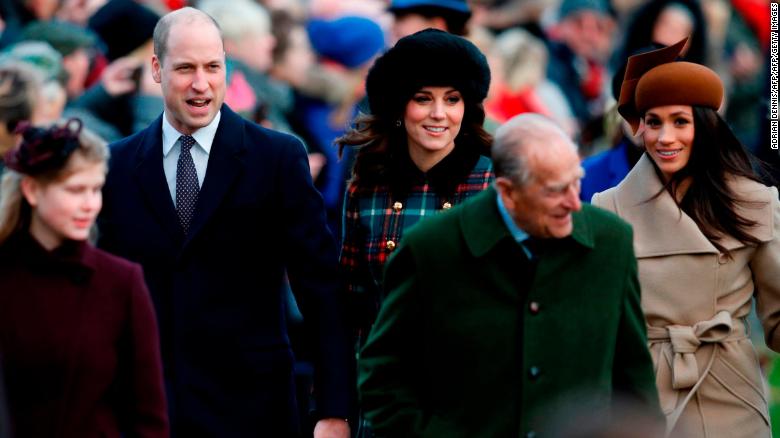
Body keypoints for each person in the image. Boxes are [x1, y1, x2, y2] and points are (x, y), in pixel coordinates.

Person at [96, 7, 351, 438]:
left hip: (253, 407)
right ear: (156, 69)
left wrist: (334, 407)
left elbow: (320, 286)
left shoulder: (276, 158)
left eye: (213, 67)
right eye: (185, 68)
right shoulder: (116, 165)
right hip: (146, 408)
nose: (201, 83)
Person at [359, 113, 661, 437]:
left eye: (576, 181)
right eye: (555, 191)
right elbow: (383, 378)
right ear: (508, 192)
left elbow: (634, 375)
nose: (574, 203)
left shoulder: (610, 242)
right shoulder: (431, 249)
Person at [592, 38, 780, 437]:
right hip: (642, 400)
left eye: (680, 121)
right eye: (654, 122)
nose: (665, 137)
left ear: (705, 125)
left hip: (731, 392)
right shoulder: (608, 207)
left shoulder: (754, 202)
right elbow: (595, 322)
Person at [0, 119, 168, 437]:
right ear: (33, 190)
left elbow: (148, 416)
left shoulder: (121, 283)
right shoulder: (6, 276)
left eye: (96, 189)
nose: (90, 205)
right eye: (76, 190)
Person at [337, 28, 494, 345]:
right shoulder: (367, 184)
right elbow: (351, 296)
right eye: (423, 99)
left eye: (452, 99)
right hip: (381, 373)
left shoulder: (495, 184)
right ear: (398, 107)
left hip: (469, 373)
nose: (439, 114)